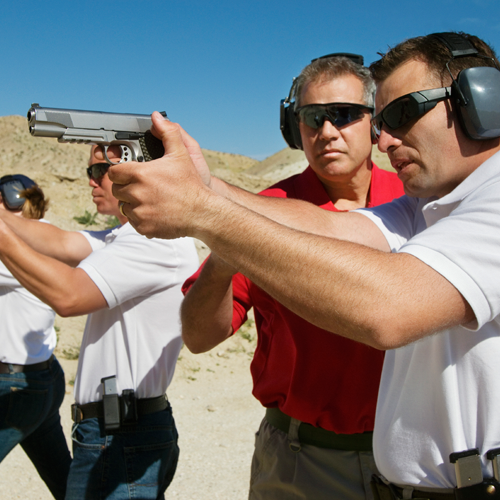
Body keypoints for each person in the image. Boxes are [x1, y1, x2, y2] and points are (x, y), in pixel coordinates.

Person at [109, 31, 500, 498]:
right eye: (313, 118)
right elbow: (330, 227)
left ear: (481, 100)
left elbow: (387, 308)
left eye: (398, 114)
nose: (384, 140)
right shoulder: (428, 205)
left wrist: (205, 213)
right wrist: (202, 184)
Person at [181, 54, 404, 500]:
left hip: (410, 455)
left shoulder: (415, 202)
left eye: (343, 115)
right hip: (302, 463)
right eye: (312, 118)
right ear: (294, 127)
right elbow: (200, 335)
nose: (326, 132)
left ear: (375, 123)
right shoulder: (263, 208)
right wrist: (228, 253)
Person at [0, 147, 199, 499]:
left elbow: (69, 297)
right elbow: (57, 241)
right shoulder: (123, 236)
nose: (90, 179)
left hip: (122, 433)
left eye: (100, 169)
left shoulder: (154, 241)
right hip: (116, 429)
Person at [0, 174, 71, 500]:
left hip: (16, 386)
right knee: (65, 481)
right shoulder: (49, 238)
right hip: (42, 377)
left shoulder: (18, 248)